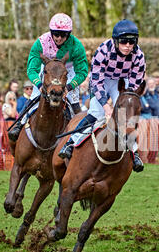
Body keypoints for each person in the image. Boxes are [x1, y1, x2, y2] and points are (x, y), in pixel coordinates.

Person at [58, 19, 146, 172]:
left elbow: (134, 85)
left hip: (123, 81)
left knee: (126, 115)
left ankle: (134, 152)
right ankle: (71, 143)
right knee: (95, 113)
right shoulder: (103, 50)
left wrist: (124, 102)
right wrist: (106, 107)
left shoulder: (138, 55)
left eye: (131, 42)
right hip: (103, 79)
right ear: (116, 40)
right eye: (124, 42)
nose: (127, 46)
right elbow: (96, 82)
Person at [8, 13, 89, 142]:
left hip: (67, 71)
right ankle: (19, 124)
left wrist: (69, 86)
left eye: (63, 35)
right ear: (51, 32)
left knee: (73, 101)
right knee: (34, 96)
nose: (59, 38)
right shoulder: (40, 42)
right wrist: (39, 85)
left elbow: (82, 71)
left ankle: (79, 132)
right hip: (47, 70)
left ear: (69, 34)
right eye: (56, 34)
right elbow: (31, 69)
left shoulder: (76, 46)